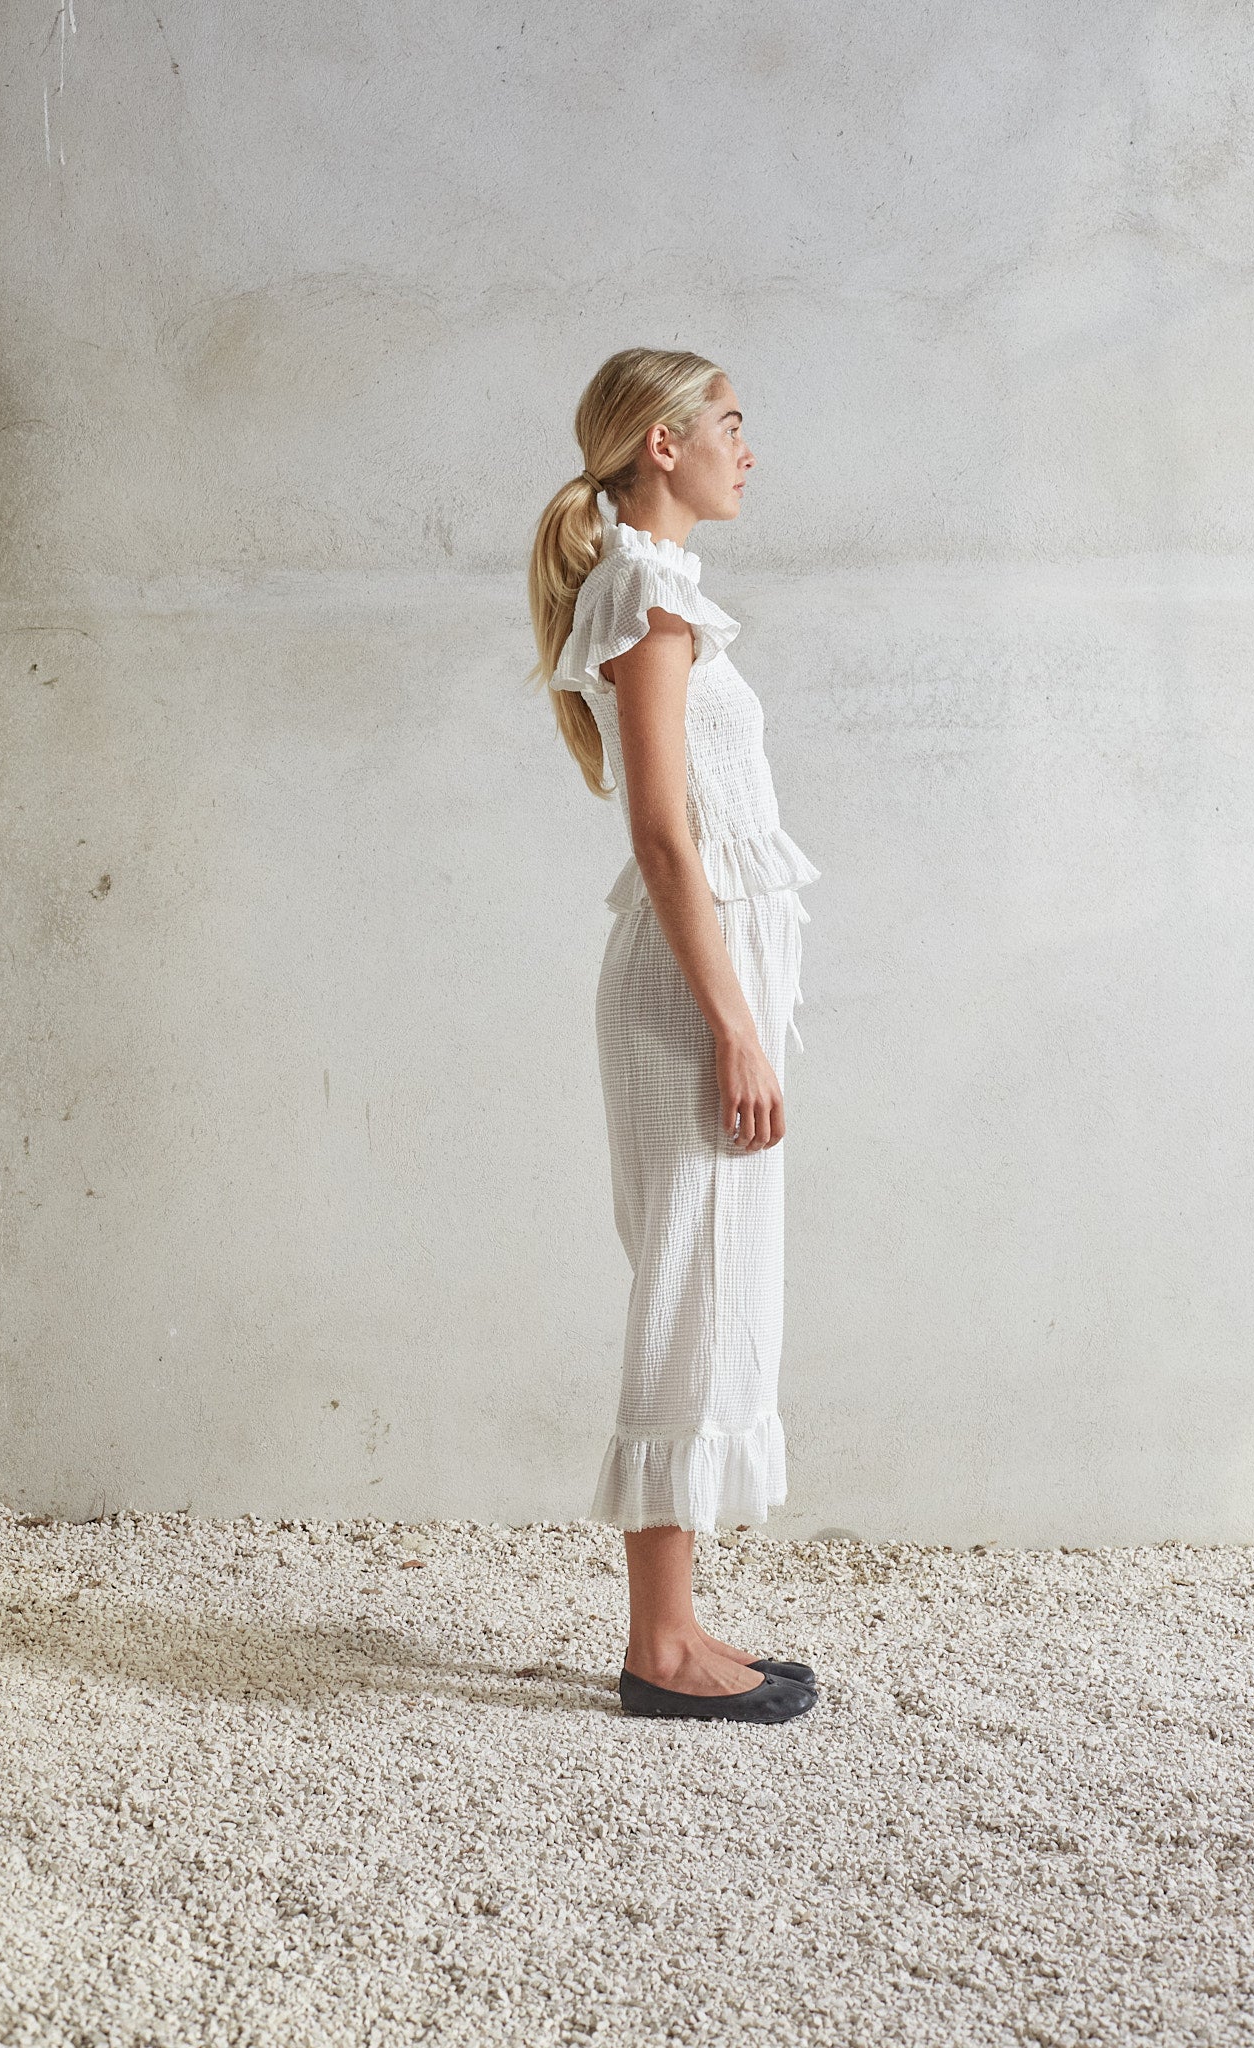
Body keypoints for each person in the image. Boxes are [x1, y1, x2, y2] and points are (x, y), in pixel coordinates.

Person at [528, 348, 822, 1725]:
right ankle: (658, 1648)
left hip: (722, 972)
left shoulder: (662, 588)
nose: (747, 450)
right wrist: (735, 1029)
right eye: (730, 425)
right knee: (688, 1291)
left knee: (715, 1283)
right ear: (663, 442)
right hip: (696, 986)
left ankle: (680, 1620)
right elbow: (660, 834)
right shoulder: (642, 595)